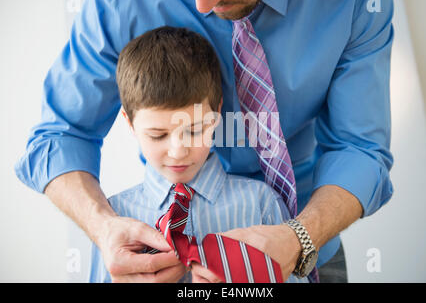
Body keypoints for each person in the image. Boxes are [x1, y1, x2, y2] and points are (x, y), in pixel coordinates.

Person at [15, 0, 395, 283]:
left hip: (310, 246)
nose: (202, 1)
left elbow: (359, 148)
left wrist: (299, 239)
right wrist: (102, 227)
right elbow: (59, 137)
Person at [89, 26, 308, 283]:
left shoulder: (261, 204)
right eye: (158, 135)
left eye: (194, 131)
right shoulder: (113, 219)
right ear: (129, 123)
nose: (178, 151)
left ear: (216, 114)